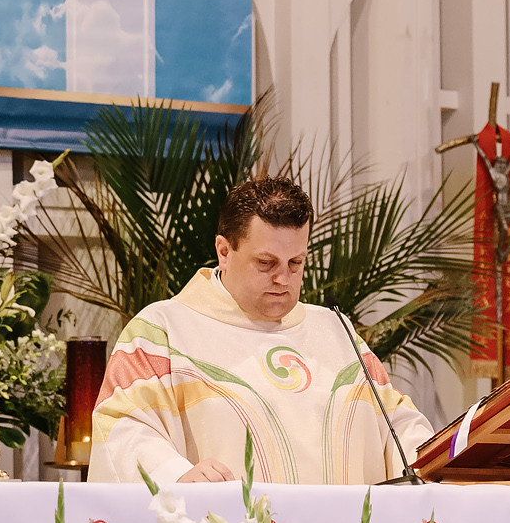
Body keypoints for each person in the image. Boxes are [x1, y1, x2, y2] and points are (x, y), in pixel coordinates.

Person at [87, 175, 435, 484]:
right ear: (224, 251)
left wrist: (440, 458)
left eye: (295, 263)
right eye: (266, 263)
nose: (283, 279)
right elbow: (122, 427)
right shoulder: (162, 331)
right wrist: (175, 475)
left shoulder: (336, 331)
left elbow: (399, 425)